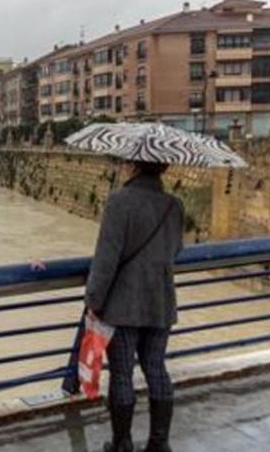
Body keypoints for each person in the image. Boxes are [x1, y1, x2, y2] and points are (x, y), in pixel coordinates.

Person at [86, 158, 184, 452]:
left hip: (123, 304)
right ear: (164, 168)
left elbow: (106, 259)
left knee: (122, 373)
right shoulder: (174, 205)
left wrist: (94, 300)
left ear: (132, 164)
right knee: (156, 368)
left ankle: (122, 444)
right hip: (160, 301)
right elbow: (176, 249)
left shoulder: (119, 202)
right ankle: (159, 443)